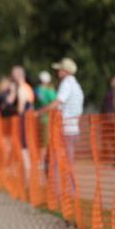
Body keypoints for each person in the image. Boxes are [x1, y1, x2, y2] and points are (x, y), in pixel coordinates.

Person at [39, 57, 84, 191]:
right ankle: (66, 190)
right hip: (73, 128)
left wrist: (40, 112)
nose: (57, 71)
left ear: (65, 71)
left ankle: (61, 192)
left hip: (66, 129)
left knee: (58, 161)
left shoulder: (66, 83)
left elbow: (58, 102)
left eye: (59, 69)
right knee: (66, 161)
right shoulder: (76, 85)